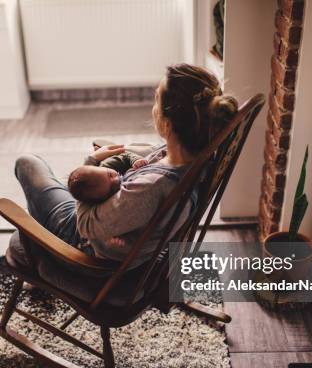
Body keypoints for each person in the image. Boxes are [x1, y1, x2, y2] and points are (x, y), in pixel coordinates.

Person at [14, 63, 238, 268]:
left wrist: (90, 164)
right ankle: (39, 240)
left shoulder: (151, 188)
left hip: (88, 247)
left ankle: (39, 251)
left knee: (27, 163)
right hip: (121, 229)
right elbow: (143, 164)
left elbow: (85, 225)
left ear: (168, 125)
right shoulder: (197, 157)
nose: (154, 107)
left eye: (156, 99)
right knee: (60, 181)